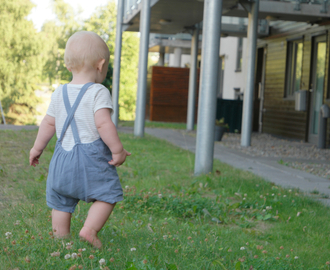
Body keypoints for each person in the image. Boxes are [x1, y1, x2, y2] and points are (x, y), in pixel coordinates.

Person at [29, 31, 130, 249]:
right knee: (108, 194)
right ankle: (89, 230)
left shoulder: (59, 93)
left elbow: (48, 123)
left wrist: (37, 148)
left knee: (61, 200)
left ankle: (61, 240)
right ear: (101, 65)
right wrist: (117, 150)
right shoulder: (98, 91)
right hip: (90, 162)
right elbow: (103, 124)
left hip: (61, 160)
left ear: (68, 65)